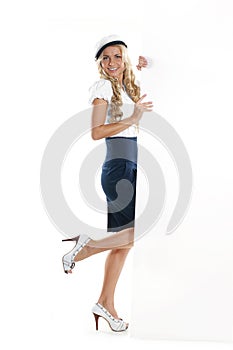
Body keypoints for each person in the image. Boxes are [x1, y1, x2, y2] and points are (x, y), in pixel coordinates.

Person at [62, 35, 153, 332]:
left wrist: (146, 65)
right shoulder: (102, 88)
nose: (111, 63)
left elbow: (141, 72)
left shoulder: (125, 86)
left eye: (117, 57)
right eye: (105, 58)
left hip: (130, 167)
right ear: (100, 64)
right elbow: (96, 132)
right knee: (129, 237)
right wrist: (135, 117)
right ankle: (85, 248)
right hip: (117, 169)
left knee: (123, 244)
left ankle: (105, 303)